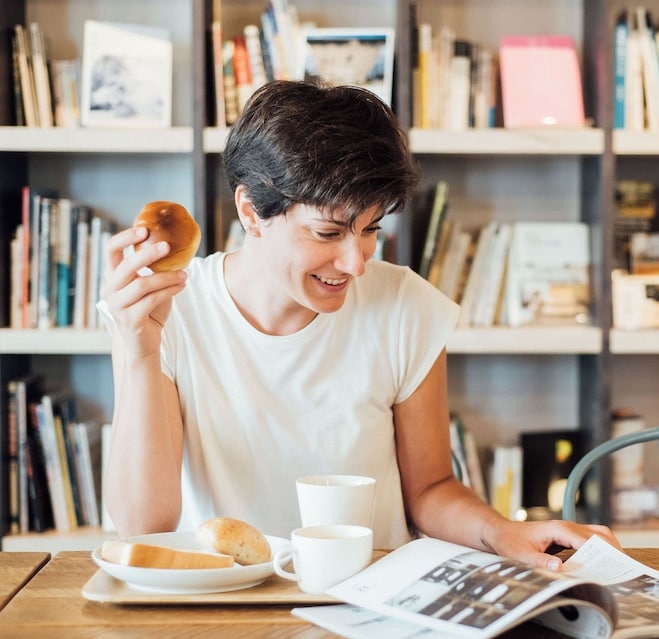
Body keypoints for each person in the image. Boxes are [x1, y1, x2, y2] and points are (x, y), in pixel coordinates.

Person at [100, 79, 619, 571]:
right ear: (252, 211)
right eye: (328, 233)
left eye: (370, 229)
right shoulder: (165, 308)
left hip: (369, 593)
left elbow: (430, 489)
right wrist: (140, 351)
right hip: (223, 597)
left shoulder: (405, 306)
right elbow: (144, 525)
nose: (355, 263)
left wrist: (501, 533)